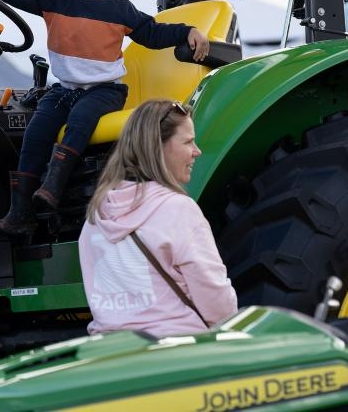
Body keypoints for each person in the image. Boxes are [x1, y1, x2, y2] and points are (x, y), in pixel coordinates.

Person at [0, 0, 211, 236]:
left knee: (80, 120)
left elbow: (152, 33)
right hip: (65, 89)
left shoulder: (119, 10)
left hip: (105, 90)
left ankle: (53, 187)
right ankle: (20, 213)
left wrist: (187, 31)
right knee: (36, 131)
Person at [78, 98, 237, 336]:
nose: (197, 151)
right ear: (158, 147)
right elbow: (215, 299)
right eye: (189, 141)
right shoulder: (177, 211)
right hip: (178, 353)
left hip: (113, 354)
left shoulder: (95, 217)